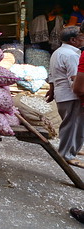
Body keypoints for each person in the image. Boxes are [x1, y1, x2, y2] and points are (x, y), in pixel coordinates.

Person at [46, 26, 84, 168]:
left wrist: (52, 90)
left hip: (63, 95)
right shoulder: (72, 55)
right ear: (73, 40)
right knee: (72, 126)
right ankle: (67, 155)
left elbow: (51, 75)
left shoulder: (58, 52)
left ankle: (72, 149)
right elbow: (74, 79)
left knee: (71, 125)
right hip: (71, 95)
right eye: (81, 37)